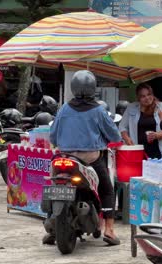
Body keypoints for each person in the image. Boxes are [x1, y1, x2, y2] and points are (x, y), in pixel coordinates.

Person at [46, 70, 121, 246]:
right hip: (90, 158)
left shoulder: (64, 108)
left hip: (64, 156)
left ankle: (50, 227)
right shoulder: (99, 110)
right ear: (93, 88)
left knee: (54, 184)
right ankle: (109, 230)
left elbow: (53, 137)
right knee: (107, 189)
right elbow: (115, 136)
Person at [119, 83, 162, 158]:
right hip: (137, 151)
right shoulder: (131, 107)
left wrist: (157, 135)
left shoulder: (161, 107)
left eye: (149, 94)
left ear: (152, 94)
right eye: (143, 96)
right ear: (138, 98)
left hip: (158, 152)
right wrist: (127, 138)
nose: (147, 98)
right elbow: (122, 127)